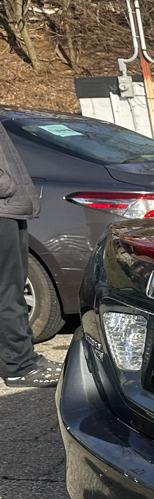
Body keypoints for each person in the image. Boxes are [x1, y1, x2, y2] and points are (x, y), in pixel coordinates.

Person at [0, 122, 59, 388]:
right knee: (8, 293)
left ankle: (20, 360)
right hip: (3, 209)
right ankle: (19, 367)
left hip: (10, 208)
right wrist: (6, 185)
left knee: (11, 290)